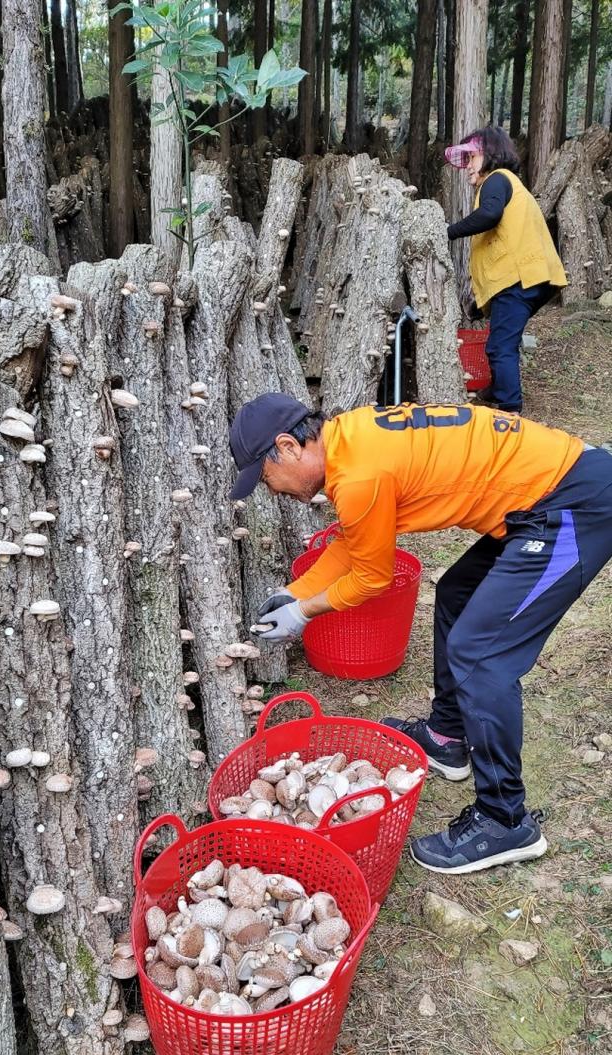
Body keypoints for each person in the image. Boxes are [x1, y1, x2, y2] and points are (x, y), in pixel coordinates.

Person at [228, 392, 612, 875]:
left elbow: (372, 577)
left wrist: (304, 612)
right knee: (457, 594)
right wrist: (295, 592)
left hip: (573, 504)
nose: (272, 490)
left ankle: (505, 819)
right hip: (547, 494)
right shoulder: (351, 439)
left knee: (480, 654)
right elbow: (355, 540)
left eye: (266, 477)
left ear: (287, 446)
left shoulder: (358, 474)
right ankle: (446, 737)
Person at [445, 126, 567, 414]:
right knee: (500, 341)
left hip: (518, 279)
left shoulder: (496, 179)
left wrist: (447, 232)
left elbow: (489, 215)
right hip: (527, 278)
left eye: (472, 158)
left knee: (501, 347)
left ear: (489, 154)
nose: (467, 167)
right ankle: (495, 391)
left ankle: (511, 412)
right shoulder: (506, 184)